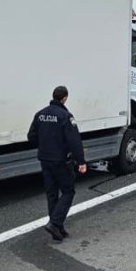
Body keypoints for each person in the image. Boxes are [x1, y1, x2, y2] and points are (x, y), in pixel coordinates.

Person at [27, 85, 87, 242]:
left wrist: (44, 145)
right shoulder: (65, 116)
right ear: (64, 98)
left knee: (52, 193)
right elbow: (74, 140)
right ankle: (55, 223)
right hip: (60, 160)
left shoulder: (40, 114)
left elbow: (31, 137)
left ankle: (57, 227)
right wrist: (81, 161)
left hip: (44, 159)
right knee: (68, 191)